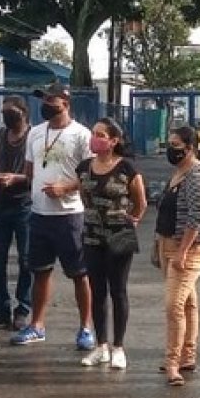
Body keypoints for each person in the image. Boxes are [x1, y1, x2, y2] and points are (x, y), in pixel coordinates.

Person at [10, 84, 95, 350]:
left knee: (79, 273)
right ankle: (37, 325)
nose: (45, 104)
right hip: (39, 213)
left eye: (51, 100)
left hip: (69, 214)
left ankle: (86, 328)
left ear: (65, 103)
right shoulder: (36, 133)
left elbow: (93, 176)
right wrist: (21, 182)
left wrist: (66, 188)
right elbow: (30, 171)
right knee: (40, 271)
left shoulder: (81, 135)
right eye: (43, 99)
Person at [77, 117, 146, 370]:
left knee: (118, 290)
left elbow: (140, 202)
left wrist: (132, 220)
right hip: (92, 235)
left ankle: (119, 347)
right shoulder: (84, 167)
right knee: (97, 291)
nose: (94, 138)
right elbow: (84, 196)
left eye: (101, 135)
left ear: (114, 141)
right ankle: (101, 346)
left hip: (120, 234)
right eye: (93, 133)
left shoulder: (127, 168)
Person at [155, 126, 200, 386]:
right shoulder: (179, 172)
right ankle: (187, 355)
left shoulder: (197, 176)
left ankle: (172, 363)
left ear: (190, 148)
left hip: (186, 249)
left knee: (174, 305)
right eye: (169, 144)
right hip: (168, 242)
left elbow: (196, 216)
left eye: (176, 145)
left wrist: (183, 252)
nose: (171, 149)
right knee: (188, 301)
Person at [0, 96, 34, 331]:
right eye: (4, 111)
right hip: (0, 204)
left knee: (27, 260)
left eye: (11, 112)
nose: (7, 116)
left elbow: (40, 172)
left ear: (23, 113)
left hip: (25, 204)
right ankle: (1, 310)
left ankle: (23, 308)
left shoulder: (34, 137)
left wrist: (16, 178)